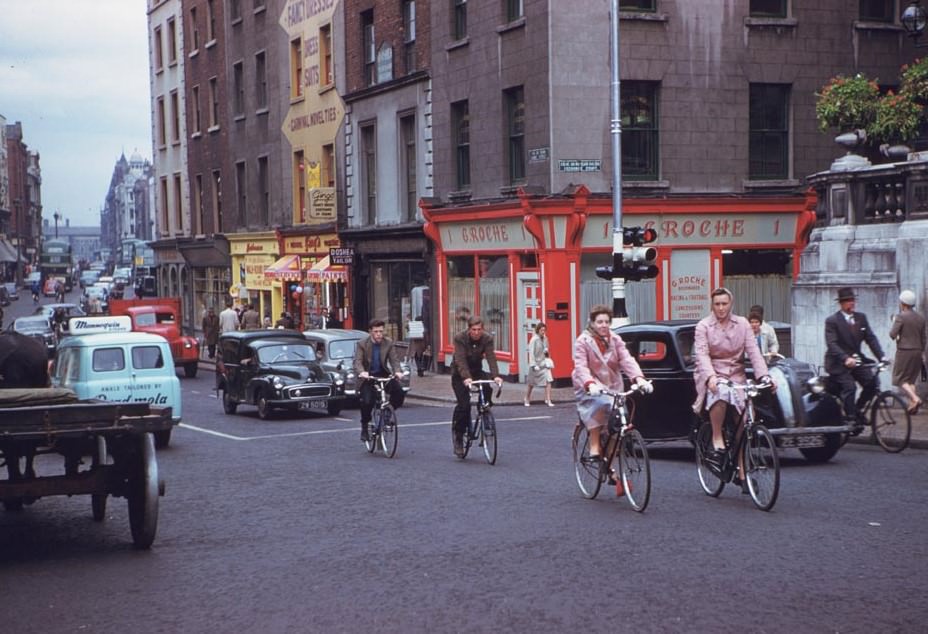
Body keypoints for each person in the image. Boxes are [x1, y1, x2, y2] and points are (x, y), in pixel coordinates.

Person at [693, 288, 774, 492]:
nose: (721, 308)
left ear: (731, 304)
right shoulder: (703, 326)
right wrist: (710, 376)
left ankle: (742, 470)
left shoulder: (743, 324)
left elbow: (754, 353)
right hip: (713, 372)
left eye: (724, 303)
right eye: (717, 304)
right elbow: (702, 355)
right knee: (719, 392)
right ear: (712, 305)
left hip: (736, 373)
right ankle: (717, 436)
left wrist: (764, 376)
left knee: (745, 421)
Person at [572, 306, 651, 461]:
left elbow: (626, 359)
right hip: (590, 383)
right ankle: (594, 445)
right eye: (600, 322)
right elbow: (580, 366)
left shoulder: (615, 339)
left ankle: (610, 457)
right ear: (592, 323)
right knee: (598, 405)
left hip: (612, 383)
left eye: (607, 322)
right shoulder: (583, 341)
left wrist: (639, 378)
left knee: (620, 417)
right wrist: (589, 383)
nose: (604, 325)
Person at [824, 287, 887, 428]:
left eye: (852, 300)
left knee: (872, 383)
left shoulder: (861, 318)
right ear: (841, 303)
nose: (851, 303)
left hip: (857, 360)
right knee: (849, 386)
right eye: (847, 301)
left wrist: (882, 357)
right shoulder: (832, 321)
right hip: (838, 363)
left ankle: (857, 409)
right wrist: (845, 358)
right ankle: (850, 416)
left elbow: (871, 339)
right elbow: (832, 344)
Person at [451, 317, 503, 457]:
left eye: (479, 329)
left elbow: (491, 357)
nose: (476, 332)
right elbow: (460, 360)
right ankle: (459, 437)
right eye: (473, 330)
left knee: (487, 388)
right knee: (464, 405)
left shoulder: (487, 338)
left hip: (476, 370)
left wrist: (495, 376)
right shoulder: (460, 338)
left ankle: (484, 409)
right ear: (469, 329)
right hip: (460, 373)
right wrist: (466, 378)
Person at [353, 319, 406, 442]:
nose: (379, 334)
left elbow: (394, 360)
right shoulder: (362, 344)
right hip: (368, 377)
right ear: (370, 332)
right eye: (376, 332)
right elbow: (357, 361)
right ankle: (365, 426)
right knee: (367, 402)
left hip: (383, 374)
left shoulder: (388, 343)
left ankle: (387, 413)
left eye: (381, 331)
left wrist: (397, 371)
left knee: (399, 393)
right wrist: (362, 372)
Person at [889, 289, 926, 415]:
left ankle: (915, 399)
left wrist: (894, 322)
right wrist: (921, 352)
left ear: (903, 303)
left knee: (899, 379)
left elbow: (892, 334)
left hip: (904, 351)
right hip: (918, 351)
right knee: (910, 380)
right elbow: (924, 338)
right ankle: (912, 405)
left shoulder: (900, 317)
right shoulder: (921, 319)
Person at [525, 322, 555, 407]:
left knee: (548, 380)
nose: (543, 332)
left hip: (543, 363)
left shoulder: (545, 338)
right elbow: (531, 353)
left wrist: (546, 353)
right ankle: (527, 398)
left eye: (544, 330)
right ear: (537, 330)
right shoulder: (534, 340)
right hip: (536, 364)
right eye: (541, 330)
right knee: (531, 383)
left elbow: (547, 349)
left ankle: (548, 400)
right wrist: (534, 365)